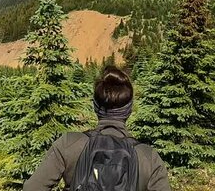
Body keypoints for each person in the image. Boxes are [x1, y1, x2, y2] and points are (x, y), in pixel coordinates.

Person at [23, 65, 171, 191]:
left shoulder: (69, 144)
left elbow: (32, 188)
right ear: (129, 110)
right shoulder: (148, 157)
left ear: (95, 106)